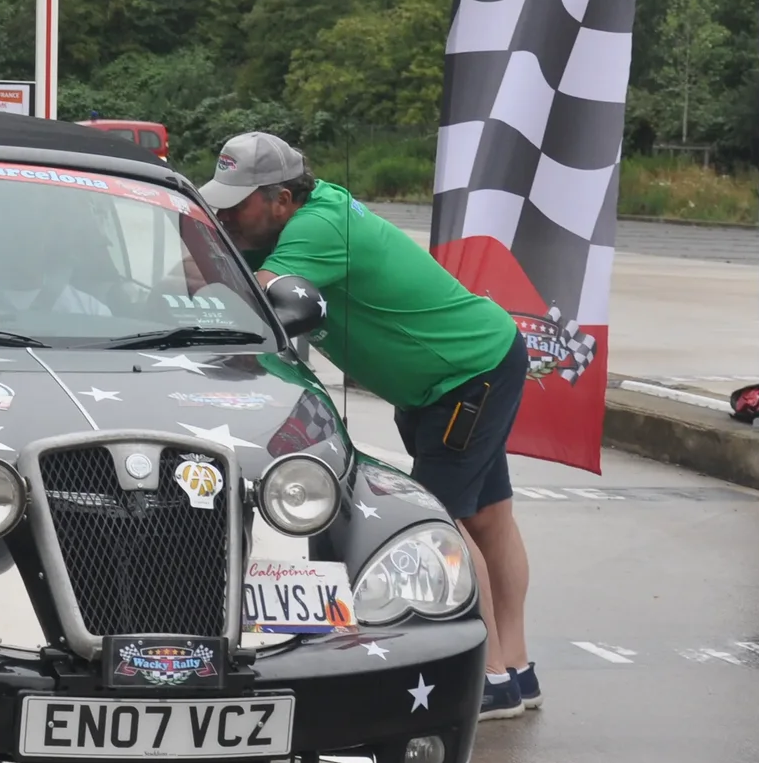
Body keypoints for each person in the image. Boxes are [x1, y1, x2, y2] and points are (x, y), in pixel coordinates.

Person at [203, 131, 538, 721]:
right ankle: (517, 665)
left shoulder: (316, 229)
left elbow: (254, 299)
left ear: (281, 199)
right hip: (453, 373)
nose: (226, 215)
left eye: (237, 204)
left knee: (445, 522)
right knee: (488, 516)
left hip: (465, 375)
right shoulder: (288, 220)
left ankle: (487, 678)